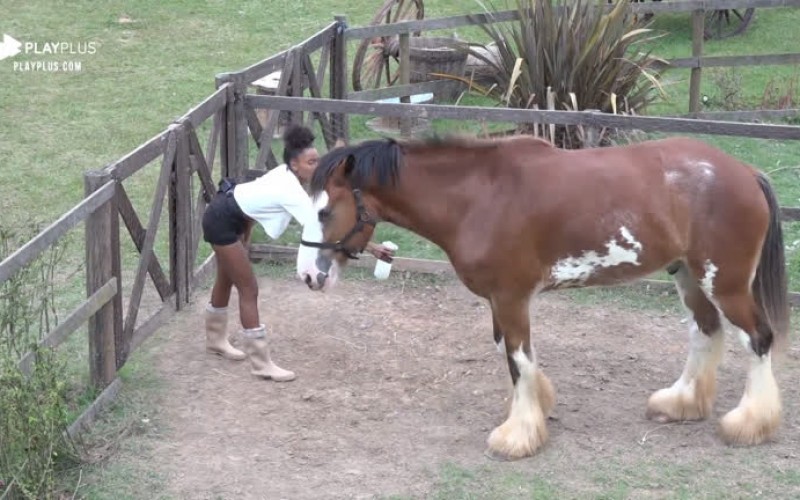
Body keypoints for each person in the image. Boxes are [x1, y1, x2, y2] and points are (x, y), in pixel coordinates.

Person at [201, 124, 394, 382]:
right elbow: (323, 223)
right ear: (295, 165)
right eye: (311, 162)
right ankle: (261, 364)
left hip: (238, 217)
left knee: (226, 278)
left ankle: (215, 340)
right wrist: (370, 247)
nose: (317, 166)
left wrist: (371, 246)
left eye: (318, 161)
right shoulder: (289, 189)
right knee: (249, 289)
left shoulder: (294, 180)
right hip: (222, 219)